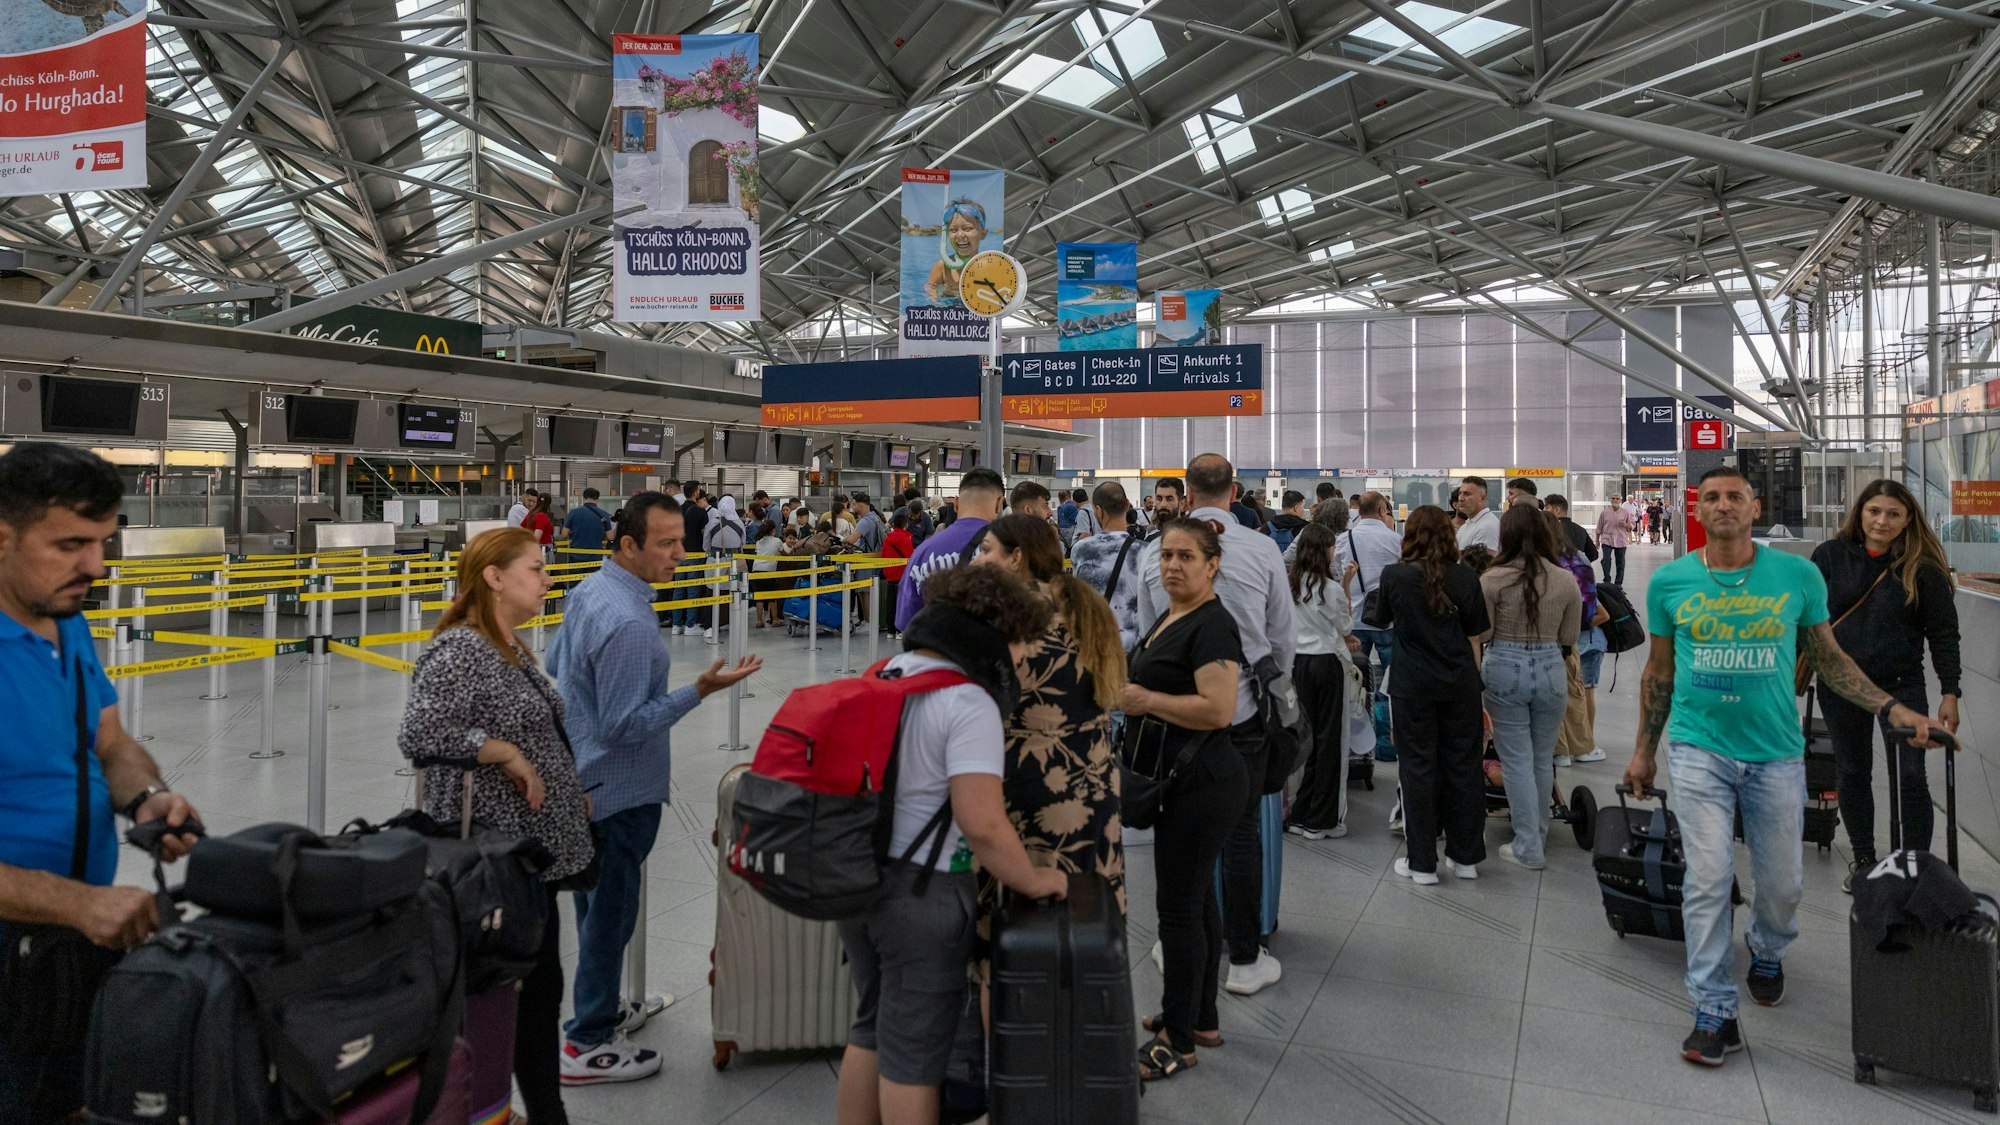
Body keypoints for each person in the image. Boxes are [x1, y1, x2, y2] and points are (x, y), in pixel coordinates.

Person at [1623, 465, 1946, 1067]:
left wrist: (1892, 706)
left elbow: (1830, 659)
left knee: (1783, 888)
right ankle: (1714, 1011)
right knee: (1709, 878)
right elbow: (1659, 672)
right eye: (1711, 498)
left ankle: (1768, 947)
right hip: (1698, 750)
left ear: (1753, 507)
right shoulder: (1670, 583)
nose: (1723, 506)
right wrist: (1645, 750)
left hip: (1774, 754)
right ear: (1696, 511)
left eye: (1734, 497)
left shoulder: (1797, 575)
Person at [0, 444, 202, 1123]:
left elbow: (109, 742)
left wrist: (148, 797)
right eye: (70, 544)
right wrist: (74, 901)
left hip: (71, 948)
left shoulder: (67, 620)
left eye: (104, 541)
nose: (95, 565)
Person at [833, 566, 1067, 1125]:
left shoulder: (886, 670)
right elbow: (981, 822)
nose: (1018, 659)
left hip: (856, 881)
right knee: (914, 1053)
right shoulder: (967, 701)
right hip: (925, 893)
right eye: (1016, 643)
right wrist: (1034, 880)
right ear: (994, 633)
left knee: (870, 1026)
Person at [547, 493, 762, 1083]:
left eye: (679, 540)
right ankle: (586, 1042)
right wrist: (700, 690)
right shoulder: (629, 624)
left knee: (596, 912)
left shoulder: (591, 590)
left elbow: (553, 663)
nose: (680, 552)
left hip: (584, 780)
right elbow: (623, 725)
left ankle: (597, 1009)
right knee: (611, 916)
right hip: (620, 791)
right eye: (665, 544)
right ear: (628, 546)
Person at [399, 527, 592, 1123]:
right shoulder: (459, 649)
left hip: (528, 857)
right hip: (490, 864)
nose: (547, 578)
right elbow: (420, 734)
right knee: (508, 999)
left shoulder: (509, 645)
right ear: (493, 577)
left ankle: (539, 1108)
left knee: (540, 990)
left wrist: (564, 785)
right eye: (535, 568)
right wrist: (503, 753)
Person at [1136, 455, 1293, 997]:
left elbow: (1145, 635)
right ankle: (1246, 960)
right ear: (1235, 492)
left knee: (1176, 833)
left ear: (1182, 491)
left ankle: (1171, 938)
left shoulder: (1154, 556)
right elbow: (1281, 638)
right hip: (1241, 718)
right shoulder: (1264, 549)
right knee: (1239, 836)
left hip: (1169, 722)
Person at [1123, 518, 1248, 1081]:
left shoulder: (1213, 626)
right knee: (1197, 904)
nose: (1173, 565)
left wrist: (1145, 699)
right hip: (1185, 779)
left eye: (1187, 557)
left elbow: (1218, 710)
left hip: (1203, 783)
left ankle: (1178, 1040)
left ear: (1212, 564)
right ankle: (1199, 1018)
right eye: (1167, 556)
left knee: (1177, 910)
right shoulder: (1173, 615)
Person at [969, 515, 1127, 939]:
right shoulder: (1089, 609)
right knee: (1086, 911)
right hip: (1092, 782)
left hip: (1027, 781)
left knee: (1012, 918)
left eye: (986, 550)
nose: (978, 561)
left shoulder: (1002, 619)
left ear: (1016, 557)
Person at [1811, 479, 1962, 892]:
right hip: (1843, 686)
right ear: (1859, 513)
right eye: (1874, 511)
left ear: (1908, 519)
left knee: (1913, 775)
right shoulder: (1829, 556)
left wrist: (1951, 691)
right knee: (1853, 769)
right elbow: (1806, 618)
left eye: (1893, 514)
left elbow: (1944, 633)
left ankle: (1915, 866)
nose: (1882, 521)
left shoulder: (1922, 568)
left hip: (1902, 684)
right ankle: (1864, 859)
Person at [1364, 507, 1490, 884]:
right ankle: (1465, 858)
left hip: (1411, 684)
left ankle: (1421, 863)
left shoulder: (1395, 575)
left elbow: (1380, 619)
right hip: (1460, 684)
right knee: (1464, 767)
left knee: (1417, 769)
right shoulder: (1467, 576)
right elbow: (1478, 632)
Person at [1479, 504, 1581, 871]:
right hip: (1551, 667)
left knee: (1516, 760)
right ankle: (1537, 834)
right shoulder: (1565, 579)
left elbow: (1485, 633)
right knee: (1542, 758)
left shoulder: (1492, 579)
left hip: (1505, 668)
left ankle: (1528, 846)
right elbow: (1570, 636)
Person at [1285, 521, 1357, 839]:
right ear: (1324, 551)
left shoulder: (1290, 583)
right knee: (1331, 741)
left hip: (1298, 664)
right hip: (1328, 663)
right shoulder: (1329, 588)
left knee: (1308, 739)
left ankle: (1300, 813)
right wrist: (1348, 585)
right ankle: (1322, 818)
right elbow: (1346, 626)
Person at [1333, 491, 1402, 763]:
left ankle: (1355, 747)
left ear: (1358, 510)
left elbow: (1339, 577)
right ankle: (1386, 746)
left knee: (1353, 685)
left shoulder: (1342, 540)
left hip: (1353, 622)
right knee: (1388, 683)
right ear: (1383, 509)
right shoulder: (1395, 540)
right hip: (1388, 621)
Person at [1549, 511, 1609, 768]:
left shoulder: (1535, 563)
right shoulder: (1576, 558)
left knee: (1563, 693)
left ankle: (1562, 748)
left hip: (1558, 638)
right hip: (1580, 636)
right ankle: (1583, 745)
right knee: (1581, 693)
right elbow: (1590, 607)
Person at [1069, 481, 1144, 651]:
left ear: (1098, 511)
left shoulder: (1080, 550)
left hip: (1094, 643)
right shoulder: (1144, 551)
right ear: (1127, 505)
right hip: (1133, 646)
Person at [924, 197, 990, 306]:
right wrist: (936, 302)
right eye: (953, 230)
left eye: (967, 228)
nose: (960, 235)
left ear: (983, 234)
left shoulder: (988, 266)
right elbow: (930, 287)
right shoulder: (943, 267)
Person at [701, 496, 748, 642]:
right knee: (734, 593)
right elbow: (743, 543)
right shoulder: (739, 523)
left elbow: (705, 546)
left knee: (712, 593)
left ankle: (709, 627)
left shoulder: (713, 522)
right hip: (735, 562)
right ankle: (733, 622)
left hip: (715, 561)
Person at [670, 485, 710, 636]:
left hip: (678, 553)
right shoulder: (700, 512)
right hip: (695, 555)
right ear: (695, 493)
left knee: (678, 588)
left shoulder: (676, 511)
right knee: (692, 588)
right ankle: (690, 625)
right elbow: (704, 534)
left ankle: (676, 624)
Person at [880, 511, 914, 638]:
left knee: (891, 603)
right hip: (902, 575)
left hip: (890, 575)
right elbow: (909, 556)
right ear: (906, 525)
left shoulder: (888, 538)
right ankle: (901, 630)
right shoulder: (906, 538)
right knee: (902, 604)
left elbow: (884, 554)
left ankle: (891, 631)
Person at [1544, 494, 1598, 566]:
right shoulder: (1581, 530)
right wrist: (1578, 564)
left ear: (1557, 510)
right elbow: (1593, 554)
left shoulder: (1550, 529)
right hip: (1576, 575)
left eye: (1547, 508)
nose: (1544, 511)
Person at [564, 487, 614, 562]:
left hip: (576, 556)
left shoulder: (573, 512)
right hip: (595, 557)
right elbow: (610, 537)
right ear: (597, 499)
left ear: (583, 498)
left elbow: (564, 534)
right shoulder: (604, 514)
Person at [751, 519, 786, 628]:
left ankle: (759, 620)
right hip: (769, 571)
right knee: (772, 596)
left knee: (759, 597)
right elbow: (784, 554)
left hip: (756, 570)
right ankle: (775, 620)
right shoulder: (777, 541)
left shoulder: (759, 542)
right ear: (773, 530)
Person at [1596, 492, 1633, 585]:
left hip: (1621, 540)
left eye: (1617, 499)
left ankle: (1618, 584)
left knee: (1620, 562)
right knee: (1606, 560)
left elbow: (1632, 525)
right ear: (1610, 500)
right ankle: (1607, 580)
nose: (1615, 500)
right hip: (1607, 539)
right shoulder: (1605, 512)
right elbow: (1599, 527)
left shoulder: (1625, 512)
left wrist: (1626, 525)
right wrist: (1597, 541)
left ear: (1620, 501)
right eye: (1613, 498)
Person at [1455, 475, 1499, 551]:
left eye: (1467, 494)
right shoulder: (1467, 525)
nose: (1460, 498)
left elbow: (1483, 561)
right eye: (1460, 493)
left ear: (1483, 498)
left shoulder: (1487, 526)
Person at [524, 492, 558, 557]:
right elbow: (537, 536)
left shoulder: (531, 515)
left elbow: (520, 529)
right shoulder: (543, 516)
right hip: (543, 550)